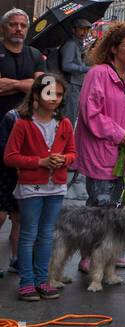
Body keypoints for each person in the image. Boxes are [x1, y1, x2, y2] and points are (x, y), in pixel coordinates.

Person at [4, 74, 74, 301]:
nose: (54, 98)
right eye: (49, 92)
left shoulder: (64, 123)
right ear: (36, 94)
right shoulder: (23, 123)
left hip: (56, 186)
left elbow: (73, 152)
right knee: (28, 234)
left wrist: (64, 159)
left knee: (46, 234)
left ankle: (42, 280)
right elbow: (10, 156)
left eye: (59, 94)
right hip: (30, 186)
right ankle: (26, 282)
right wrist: (40, 162)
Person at [74, 23, 125, 219]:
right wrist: (120, 134)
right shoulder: (98, 73)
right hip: (102, 154)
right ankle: (92, 249)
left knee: (119, 211)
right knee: (99, 211)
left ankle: (110, 250)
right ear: (114, 48)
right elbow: (91, 113)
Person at [0, 8, 45, 260]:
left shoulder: (35, 55)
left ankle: (18, 260)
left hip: (28, 133)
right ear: (4, 28)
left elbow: (43, 88)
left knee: (21, 209)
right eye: (13, 25)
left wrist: (9, 84)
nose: (18, 29)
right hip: (0, 133)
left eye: (22, 25)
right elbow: (34, 85)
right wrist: (25, 84)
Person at [58, 18, 92, 126]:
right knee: (69, 117)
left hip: (77, 84)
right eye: (81, 29)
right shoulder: (71, 44)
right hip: (71, 84)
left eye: (86, 30)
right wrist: (86, 69)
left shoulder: (79, 44)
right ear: (74, 30)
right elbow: (66, 65)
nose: (84, 32)